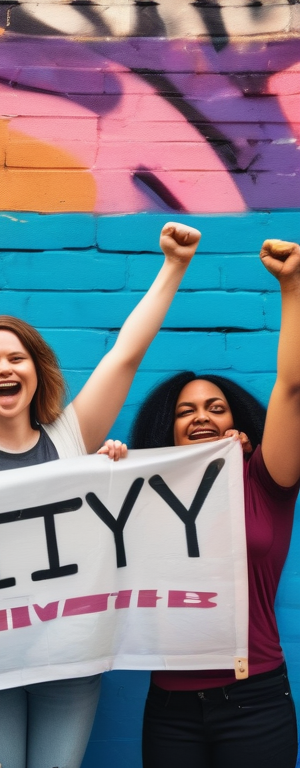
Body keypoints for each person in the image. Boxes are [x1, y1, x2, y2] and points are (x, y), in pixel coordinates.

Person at [0, 211, 200, 768]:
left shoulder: (72, 435)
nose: (4, 368)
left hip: (69, 653)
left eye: (15, 358)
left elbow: (125, 355)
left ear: (35, 372)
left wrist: (174, 267)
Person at [128, 239, 300, 768]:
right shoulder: (141, 496)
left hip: (256, 703)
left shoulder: (265, 479)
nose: (201, 416)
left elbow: (292, 388)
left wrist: (292, 288)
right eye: (186, 411)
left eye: (216, 407)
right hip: (170, 708)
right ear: (168, 430)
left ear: (236, 424)